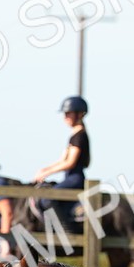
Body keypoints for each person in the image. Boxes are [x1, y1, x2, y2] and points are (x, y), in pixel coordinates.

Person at [31, 96, 91, 225]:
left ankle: (65, 231)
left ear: (79, 114)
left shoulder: (79, 136)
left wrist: (47, 173)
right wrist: (44, 170)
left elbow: (70, 163)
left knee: (47, 199)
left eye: (68, 113)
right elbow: (62, 160)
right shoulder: (74, 135)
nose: (65, 117)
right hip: (69, 176)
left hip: (75, 178)